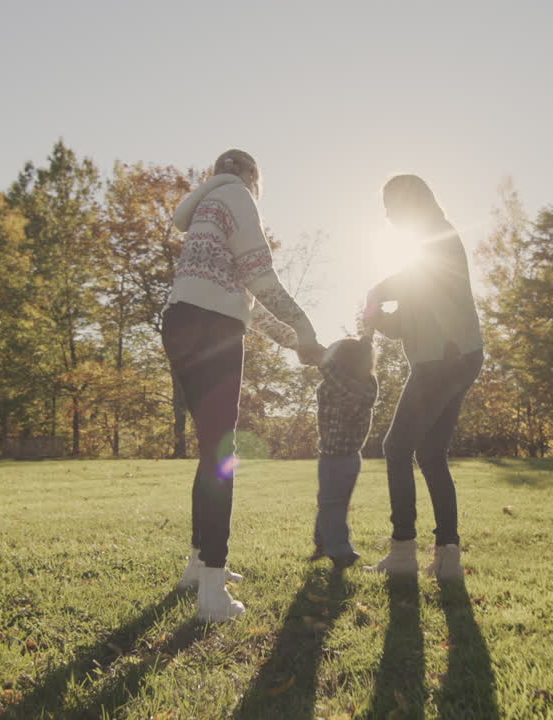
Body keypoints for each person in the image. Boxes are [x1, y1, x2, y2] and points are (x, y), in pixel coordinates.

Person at [163, 149, 324, 622]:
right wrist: (307, 327)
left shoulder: (204, 211)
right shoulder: (239, 197)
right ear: (254, 177)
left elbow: (243, 302)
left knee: (210, 450)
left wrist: (293, 342)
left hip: (179, 322)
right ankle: (213, 592)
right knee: (221, 455)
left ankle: (199, 565)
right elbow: (260, 277)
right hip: (212, 330)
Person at [362, 174, 484, 581]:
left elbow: (417, 280)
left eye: (392, 203)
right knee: (430, 455)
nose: (388, 213)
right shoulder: (421, 249)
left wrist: (376, 290)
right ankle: (448, 557)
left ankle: (402, 552)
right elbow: (405, 324)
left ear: (414, 201)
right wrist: (377, 317)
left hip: (446, 357)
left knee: (396, 447)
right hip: (453, 357)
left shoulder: (437, 236)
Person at [309, 336, 379, 571]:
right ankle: (322, 543)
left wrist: (316, 351)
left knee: (332, 503)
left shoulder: (349, 385)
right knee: (330, 502)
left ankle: (340, 550)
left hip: (337, 457)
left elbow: (327, 369)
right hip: (347, 457)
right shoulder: (368, 382)